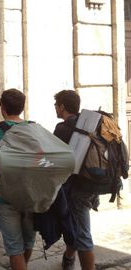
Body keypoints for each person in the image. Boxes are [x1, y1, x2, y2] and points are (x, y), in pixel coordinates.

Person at [0, 89, 35, 270]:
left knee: (14, 247)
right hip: (32, 194)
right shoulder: (35, 127)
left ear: (3, 107)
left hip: (6, 196)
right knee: (28, 241)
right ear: (22, 107)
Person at [53, 90, 97, 270]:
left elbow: (55, 159)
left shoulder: (62, 129)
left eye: (56, 105)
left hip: (76, 187)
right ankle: (68, 257)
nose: (55, 109)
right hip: (93, 182)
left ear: (62, 107)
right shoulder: (89, 124)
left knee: (83, 233)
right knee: (76, 225)